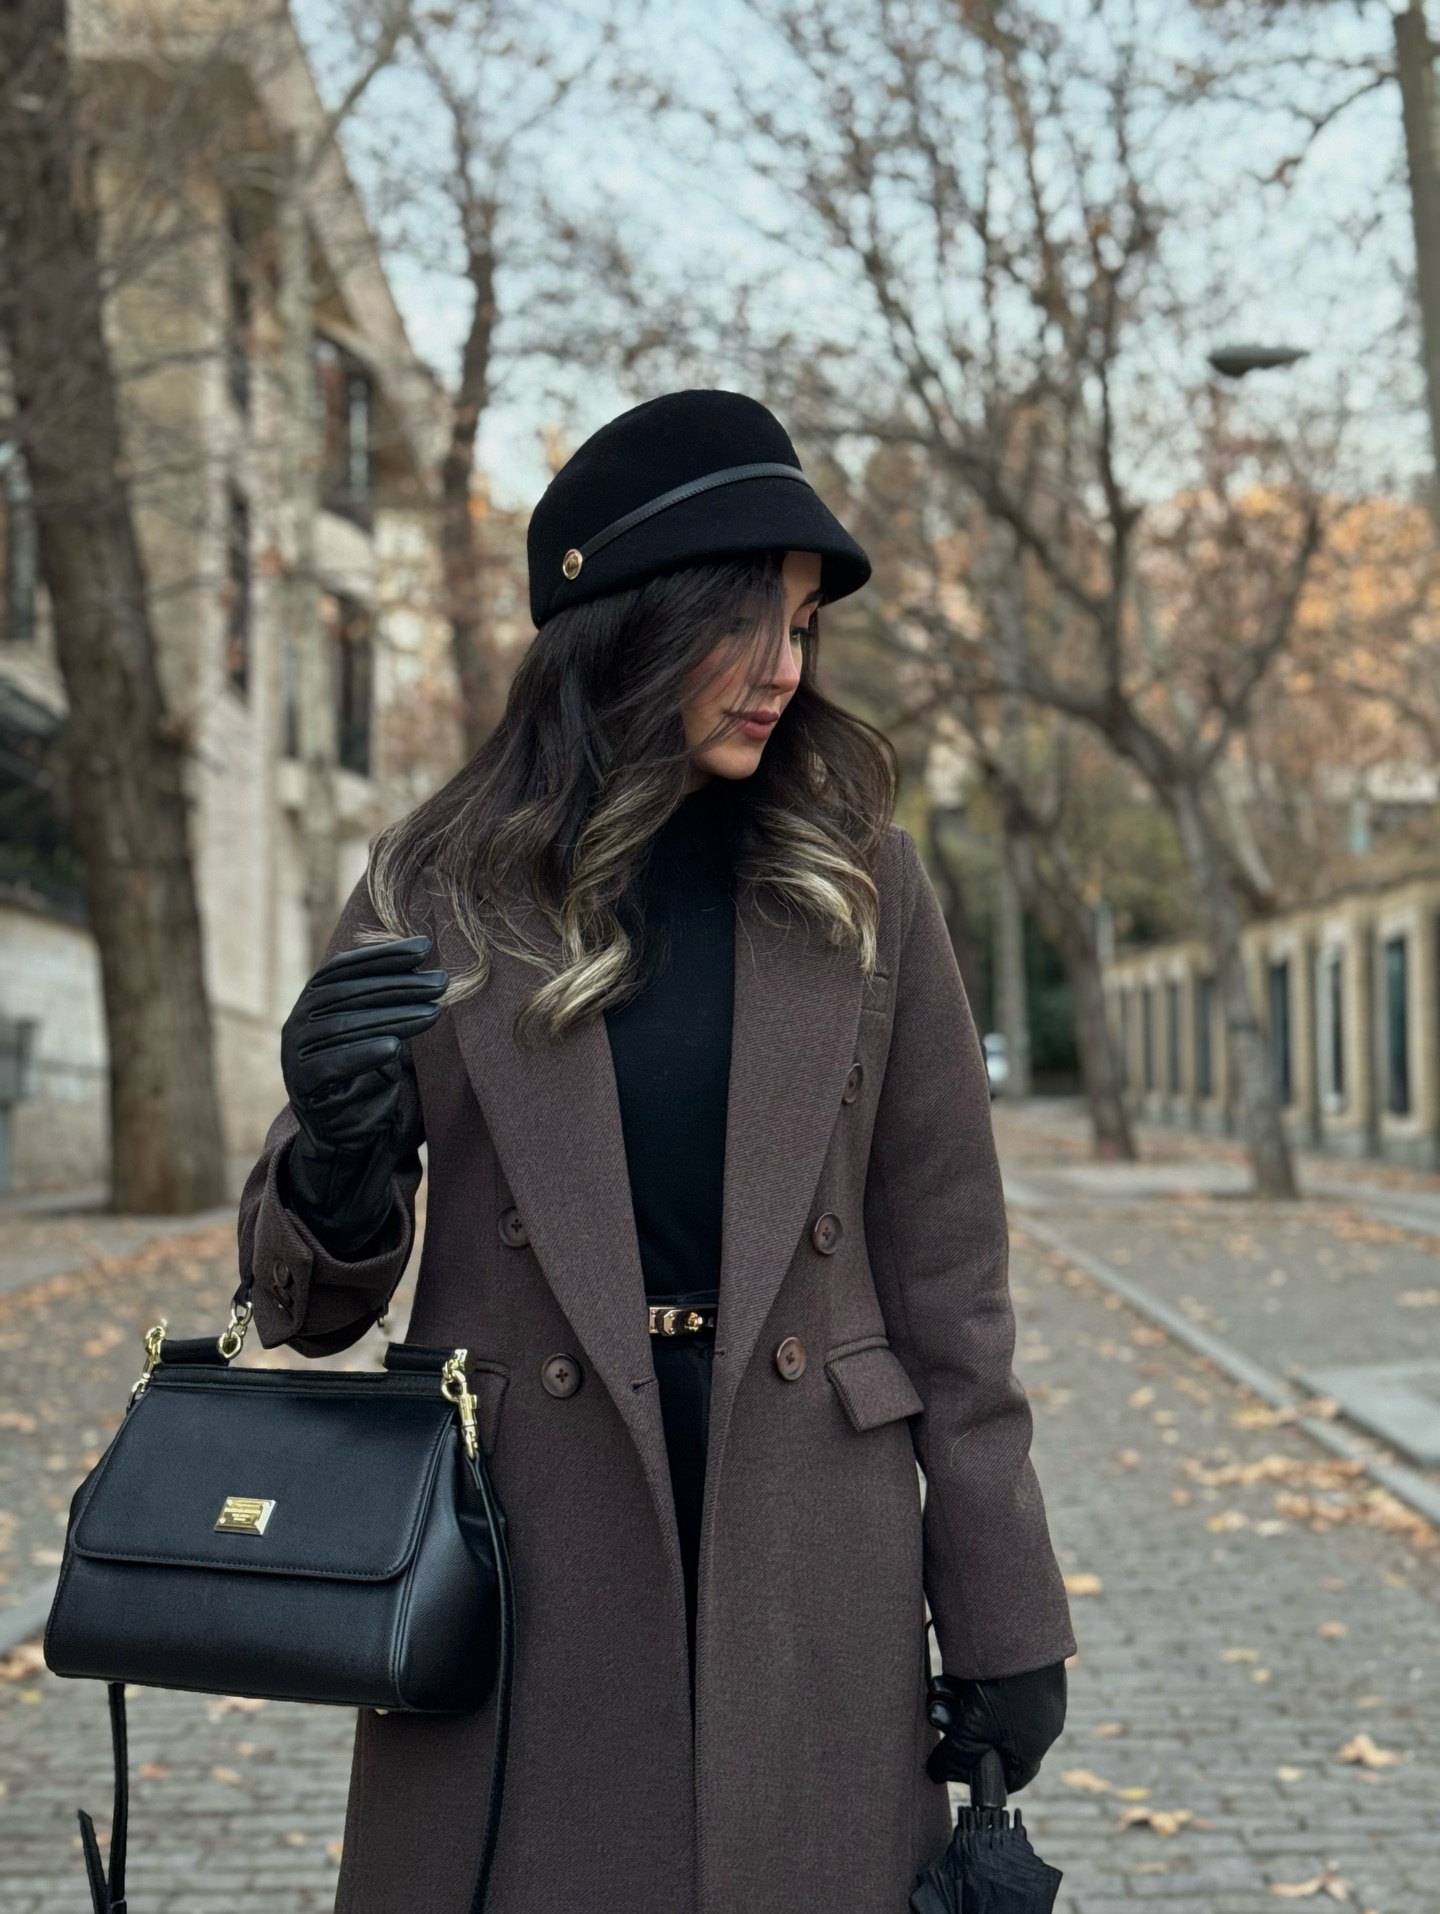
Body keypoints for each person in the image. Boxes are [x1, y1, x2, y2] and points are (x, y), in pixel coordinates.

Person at [239, 389, 1074, 1914]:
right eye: (750, 622)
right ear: (630, 622)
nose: (787, 668)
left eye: (805, 626)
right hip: (526, 1552)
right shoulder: (439, 885)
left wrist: (1007, 1614)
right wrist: (335, 1157)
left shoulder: (865, 883)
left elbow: (954, 1288)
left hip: (812, 1550)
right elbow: (308, 1309)